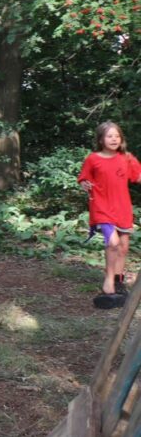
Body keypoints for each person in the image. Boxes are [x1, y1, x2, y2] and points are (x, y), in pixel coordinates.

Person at [78, 122, 141, 308]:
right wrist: (84, 183)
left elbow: (138, 176)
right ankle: (108, 281)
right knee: (112, 243)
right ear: (100, 139)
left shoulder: (126, 158)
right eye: (109, 136)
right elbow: (83, 178)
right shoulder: (93, 159)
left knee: (123, 247)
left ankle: (118, 282)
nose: (114, 139)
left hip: (122, 208)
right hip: (101, 207)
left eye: (117, 136)